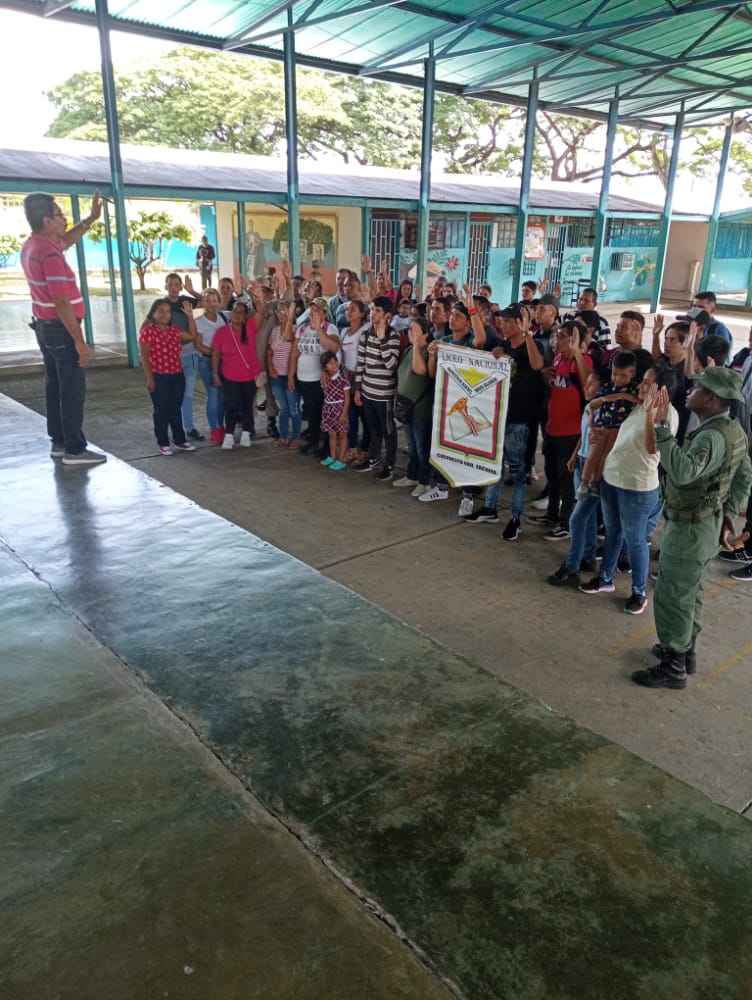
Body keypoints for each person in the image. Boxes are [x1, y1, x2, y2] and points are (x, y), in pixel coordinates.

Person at [632, 368, 752, 688]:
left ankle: (674, 666)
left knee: (674, 595)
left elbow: (684, 473)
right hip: (706, 523)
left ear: (711, 399)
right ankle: (686, 652)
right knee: (692, 592)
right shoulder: (732, 429)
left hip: (690, 529)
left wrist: (661, 429)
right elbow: (744, 475)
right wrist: (727, 514)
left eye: (698, 387)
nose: (691, 390)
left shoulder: (712, 437)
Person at [579, 366, 677, 615]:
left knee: (635, 541)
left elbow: (652, 448)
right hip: (613, 480)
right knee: (613, 532)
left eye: (648, 383)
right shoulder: (639, 405)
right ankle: (605, 579)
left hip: (637, 488)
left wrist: (650, 415)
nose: (641, 386)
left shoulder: (667, 414)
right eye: (643, 381)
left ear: (662, 390)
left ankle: (639, 592)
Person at [20, 190, 106, 466]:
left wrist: (91, 219)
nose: (65, 219)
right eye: (60, 215)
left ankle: (58, 441)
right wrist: (79, 342)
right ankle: (75, 449)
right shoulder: (50, 254)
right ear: (47, 220)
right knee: (71, 388)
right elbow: (61, 301)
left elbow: (66, 240)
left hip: (45, 327)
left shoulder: (35, 245)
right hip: (61, 328)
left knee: (55, 384)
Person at [462, 303, 544, 539]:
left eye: (509, 322)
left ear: (521, 323)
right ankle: (490, 507)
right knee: (494, 464)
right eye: (503, 321)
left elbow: (538, 365)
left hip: (521, 419)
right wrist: (496, 355)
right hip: (499, 416)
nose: (504, 326)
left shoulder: (533, 345)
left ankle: (516, 518)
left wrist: (527, 334)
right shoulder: (504, 345)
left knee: (518, 472)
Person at [528, 321, 592, 540]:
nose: (557, 340)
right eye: (557, 335)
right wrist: (547, 374)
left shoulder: (581, 363)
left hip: (571, 433)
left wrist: (577, 354)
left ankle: (566, 523)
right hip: (552, 429)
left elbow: (588, 387)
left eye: (564, 336)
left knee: (567, 481)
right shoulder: (556, 360)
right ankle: (552, 514)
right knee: (552, 476)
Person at [548, 369, 604, 587]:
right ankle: (588, 556)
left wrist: (589, 473)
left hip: (592, 469)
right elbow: (584, 437)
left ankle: (571, 566)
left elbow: (599, 443)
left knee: (577, 517)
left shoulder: (603, 411)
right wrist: (574, 456)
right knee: (586, 515)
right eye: (587, 384)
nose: (586, 388)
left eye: (591, 385)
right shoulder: (589, 407)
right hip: (581, 461)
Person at [139, 298, 199, 456]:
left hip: (177, 376)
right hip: (159, 377)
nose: (165, 314)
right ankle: (163, 443)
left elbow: (192, 336)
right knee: (161, 411)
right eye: (161, 311)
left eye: (167, 312)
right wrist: (150, 379)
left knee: (175, 409)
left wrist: (190, 316)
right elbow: (144, 358)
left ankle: (180, 440)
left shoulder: (175, 330)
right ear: (153, 313)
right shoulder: (148, 332)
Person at [577, 351, 639, 499]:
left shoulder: (634, 389)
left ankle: (594, 482)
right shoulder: (607, 387)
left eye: (622, 375)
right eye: (614, 374)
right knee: (594, 455)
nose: (617, 379)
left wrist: (622, 396)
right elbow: (592, 404)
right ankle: (584, 483)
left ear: (633, 373)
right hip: (602, 428)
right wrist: (605, 399)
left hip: (617, 431)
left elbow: (641, 401)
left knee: (604, 457)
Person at [353, 295, 401, 480]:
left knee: (388, 430)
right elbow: (361, 363)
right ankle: (373, 458)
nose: (373, 313)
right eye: (372, 309)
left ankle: (389, 465)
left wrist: (382, 341)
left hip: (384, 394)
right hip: (367, 391)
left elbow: (391, 365)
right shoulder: (366, 334)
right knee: (373, 429)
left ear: (387, 315)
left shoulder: (393, 336)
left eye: (378, 311)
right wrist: (358, 388)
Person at [289, 297, 341, 457]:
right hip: (303, 378)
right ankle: (313, 441)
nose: (314, 312)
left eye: (318, 310)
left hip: (321, 380)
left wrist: (319, 329)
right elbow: (295, 353)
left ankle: (326, 445)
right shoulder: (302, 328)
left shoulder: (330, 328)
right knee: (311, 412)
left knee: (324, 412)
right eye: (312, 309)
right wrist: (291, 375)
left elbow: (333, 347)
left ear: (325, 313)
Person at [212, 300, 264, 450]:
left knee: (247, 406)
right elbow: (216, 354)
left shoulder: (250, 328)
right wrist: (215, 374)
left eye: (241, 312)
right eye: (235, 311)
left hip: (249, 375)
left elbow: (261, 312)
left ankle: (246, 433)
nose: (237, 314)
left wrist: (258, 297)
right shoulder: (222, 332)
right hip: (229, 376)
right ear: (231, 313)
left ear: (245, 317)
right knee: (231, 406)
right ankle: (229, 435)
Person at [160, 273, 204, 442]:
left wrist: (192, 291)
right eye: (170, 284)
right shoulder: (160, 305)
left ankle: (189, 427)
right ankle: (175, 428)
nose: (174, 287)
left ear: (180, 287)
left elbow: (204, 302)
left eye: (177, 284)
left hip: (189, 354)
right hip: (169, 357)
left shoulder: (186, 301)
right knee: (172, 395)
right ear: (166, 286)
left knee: (187, 394)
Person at [393, 316, 434, 495]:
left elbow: (420, 370)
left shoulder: (427, 352)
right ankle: (412, 475)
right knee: (411, 446)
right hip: (406, 407)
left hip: (420, 410)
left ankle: (424, 481)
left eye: (415, 330)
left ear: (426, 334)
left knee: (422, 447)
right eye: (409, 330)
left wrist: (418, 345)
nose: (410, 333)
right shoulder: (409, 350)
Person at [267, 301, 302, 449]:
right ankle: (283, 437)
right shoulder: (274, 330)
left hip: (291, 376)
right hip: (276, 376)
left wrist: (290, 317)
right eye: (279, 311)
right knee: (283, 408)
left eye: (284, 311)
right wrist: (271, 368)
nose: (280, 314)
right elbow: (269, 352)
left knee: (294, 408)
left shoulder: (297, 329)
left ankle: (296, 438)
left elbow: (288, 337)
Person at [193, 288, 226, 444]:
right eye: (207, 301)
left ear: (219, 302)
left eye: (214, 301)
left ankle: (221, 426)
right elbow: (198, 345)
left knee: (222, 396)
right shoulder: (198, 322)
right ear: (202, 303)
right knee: (213, 394)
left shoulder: (224, 318)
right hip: (206, 362)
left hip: (223, 362)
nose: (211, 304)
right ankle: (214, 429)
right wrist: (214, 353)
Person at [319, 351, 351, 470]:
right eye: (330, 363)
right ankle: (332, 457)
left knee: (342, 435)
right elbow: (326, 394)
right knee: (331, 434)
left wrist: (343, 414)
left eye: (335, 361)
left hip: (340, 409)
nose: (334, 364)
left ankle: (341, 459)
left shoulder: (343, 380)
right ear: (325, 367)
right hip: (328, 409)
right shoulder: (324, 379)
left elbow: (347, 399)